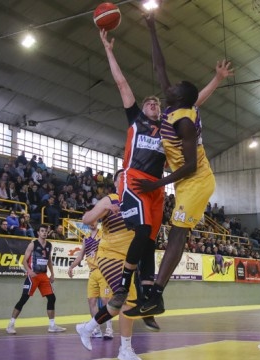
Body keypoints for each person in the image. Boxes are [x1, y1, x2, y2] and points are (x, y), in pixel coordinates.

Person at [124, 15, 233, 318]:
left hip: (196, 179)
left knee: (176, 234)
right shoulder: (175, 105)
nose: (170, 86)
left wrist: (156, 185)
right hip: (186, 182)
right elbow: (160, 67)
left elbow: (188, 166)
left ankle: (156, 295)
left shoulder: (184, 120)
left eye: (177, 86)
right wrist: (152, 28)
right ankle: (153, 293)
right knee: (173, 233)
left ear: (181, 96)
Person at [98, 29, 166, 331]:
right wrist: (109, 51)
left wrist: (215, 81)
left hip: (157, 188)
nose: (152, 104)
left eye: (156, 104)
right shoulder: (136, 119)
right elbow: (121, 82)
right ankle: (124, 285)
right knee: (141, 230)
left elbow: (193, 105)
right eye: (149, 103)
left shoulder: (168, 131)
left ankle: (148, 299)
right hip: (134, 179)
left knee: (150, 243)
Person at [75, 170, 143, 360]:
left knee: (125, 300)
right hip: (109, 256)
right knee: (127, 300)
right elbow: (87, 219)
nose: (125, 179)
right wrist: (103, 211)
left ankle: (87, 329)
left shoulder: (136, 202)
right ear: (115, 182)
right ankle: (125, 349)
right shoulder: (110, 199)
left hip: (127, 259)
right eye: (121, 177)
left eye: (127, 177)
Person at [6, 224, 66, 334]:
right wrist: (29, 271)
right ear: (38, 232)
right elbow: (24, 261)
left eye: (46, 231)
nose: (44, 233)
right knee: (23, 299)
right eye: (42, 231)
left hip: (43, 276)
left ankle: (52, 326)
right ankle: (10, 324)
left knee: (52, 298)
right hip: (33, 275)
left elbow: (48, 260)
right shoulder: (32, 244)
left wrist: (52, 274)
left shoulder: (49, 245)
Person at [67, 221, 113, 339]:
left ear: (97, 221)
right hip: (92, 273)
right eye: (90, 221)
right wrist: (71, 266)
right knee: (91, 301)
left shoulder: (103, 234)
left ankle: (109, 329)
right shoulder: (86, 238)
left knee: (105, 300)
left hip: (104, 271)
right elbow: (80, 256)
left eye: (94, 220)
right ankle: (96, 329)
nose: (92, 223)